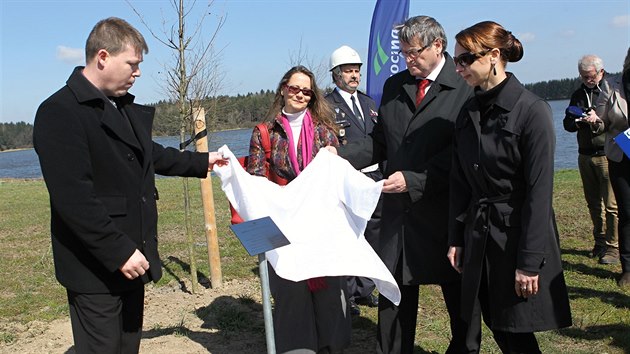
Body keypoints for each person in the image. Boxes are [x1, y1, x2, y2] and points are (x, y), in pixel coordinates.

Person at [33, 17, 226, 354]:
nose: (138, 73)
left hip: (134, 258)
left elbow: (148, 154)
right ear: (103, 56)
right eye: (133, 64)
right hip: (96, 266)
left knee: (127, 347)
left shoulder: (119, 106)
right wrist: (118, 251)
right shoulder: (59, 112)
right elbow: (74, 198)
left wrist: (202, 162)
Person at [328, 15, 478, 353]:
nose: (408, 60)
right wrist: (338, 154)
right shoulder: (396, 86)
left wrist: (413, 180)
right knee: (394, 298)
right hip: (400, 216)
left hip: (447, 213)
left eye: (414, 53)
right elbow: (380, 143)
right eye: (404, 53)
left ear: (438, 46)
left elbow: (464, 154)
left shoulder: (465, 84)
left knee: (460, 300)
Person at [447, 21, 572, 353]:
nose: (458, 68)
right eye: (455, 60)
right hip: (479, 233)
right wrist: (456, 238)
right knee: (488, 319)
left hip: (515, 236)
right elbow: (460, 181)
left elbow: (539, 191)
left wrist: (530, 261)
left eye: (466, 60)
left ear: (494, 56)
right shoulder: (468, 111)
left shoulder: (532, 111)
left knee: (515, 329)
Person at [246, 65, 350, 353]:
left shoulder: (324, 130)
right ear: (283, 89)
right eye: (295, 88)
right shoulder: (264, 133)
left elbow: (336, 176)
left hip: (321, 223)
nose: (300, 95)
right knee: (291, 292)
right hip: (282, 224)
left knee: (330, 293)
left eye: (307, 91)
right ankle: (297, 348)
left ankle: (332, 347)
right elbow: (254, 182)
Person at [325, 45, 380, 316]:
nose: (354, 75)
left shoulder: (369, 103)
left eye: (357, 70)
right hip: (346, 177)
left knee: (371, 235)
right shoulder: (325, 106)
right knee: (348, 235)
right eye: (348, 71)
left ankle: (366, 288)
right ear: (336, 75)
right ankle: (348, 294)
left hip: (373, 177)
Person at [563, 55, 618, 263]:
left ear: (601, 72)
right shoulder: (578, 95)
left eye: (591, 76)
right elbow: (567, 124)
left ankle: (613, 248)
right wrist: (579, 121)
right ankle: (600, 242)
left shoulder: (611, 91)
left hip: (607, 154)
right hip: (584, 155)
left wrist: (599, 119)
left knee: (611, 205)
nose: (588, 80)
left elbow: (621, 122)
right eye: (584, 77)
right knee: (593, 203)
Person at [593, 47, 630, 286]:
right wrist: (594, 122)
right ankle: (628, 268)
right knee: (627, 212)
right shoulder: (611, 85)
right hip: (622, 155)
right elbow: (602, 121)